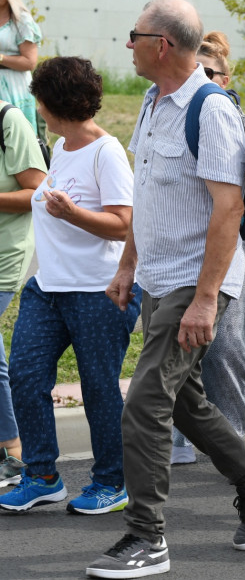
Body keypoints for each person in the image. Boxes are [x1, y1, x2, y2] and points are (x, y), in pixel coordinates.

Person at [86, 0, 245, 579]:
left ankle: (147, 537)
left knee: (146, 401)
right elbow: (149, 197)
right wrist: (128, 265)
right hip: (157, 274)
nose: (127, 44)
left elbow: (228, 210)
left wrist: (205, 298)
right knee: (182, 400)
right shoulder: (154, 102)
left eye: (134, 34)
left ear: (162, 45)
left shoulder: (212, 110)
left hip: (196, 282)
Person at [0, 57, 138, 514]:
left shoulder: (106, 152)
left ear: (49, 103)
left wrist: (72, 213)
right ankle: (41, 477)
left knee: (99, 387)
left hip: (99, 289)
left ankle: (111, 483)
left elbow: (124, 226)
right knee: (25, 374)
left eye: (39, 98)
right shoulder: (60, 147)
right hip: (49, 287)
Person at [171, 32, 245, 464]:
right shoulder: (169, 105)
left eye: (209, 72)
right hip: (183, 246)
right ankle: (196, 429)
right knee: (213, 338)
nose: (200, 78)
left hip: (228, 243)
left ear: (225, 77)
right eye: (195, 69)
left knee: (225, 339)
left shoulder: (224, 111)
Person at [0, 86, 47, 489]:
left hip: (4, 254)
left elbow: (37, 192)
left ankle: (13, 451)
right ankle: (11, 449)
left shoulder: (9, 121)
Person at [0, 0, 41, 132]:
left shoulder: (21, 20)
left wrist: (1, 58)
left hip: (13, 86)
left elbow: (30, 62)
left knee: (13, 133)